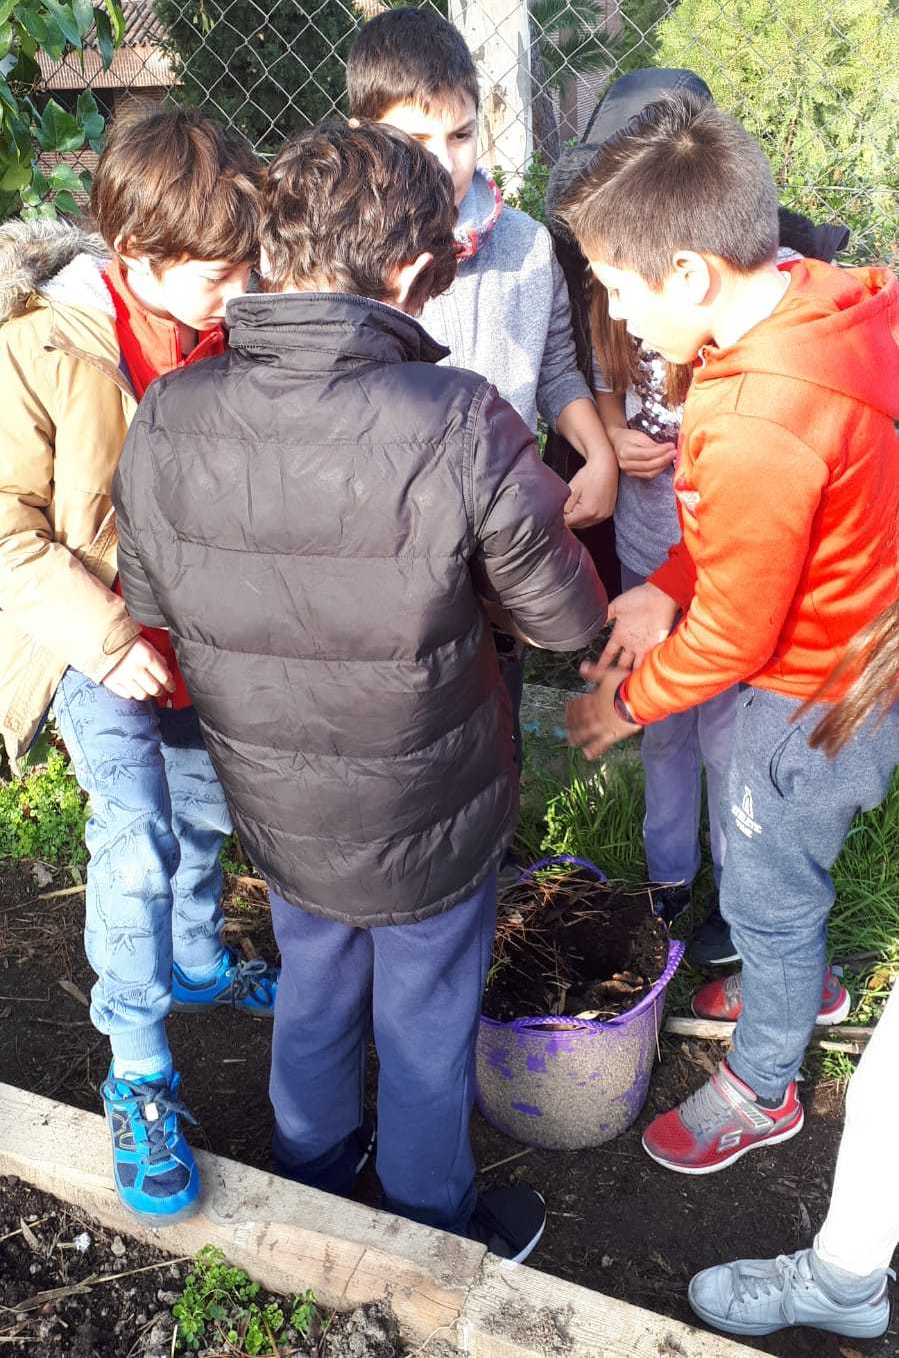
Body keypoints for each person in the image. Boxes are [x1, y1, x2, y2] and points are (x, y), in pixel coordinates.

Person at [112, 121, 607, 1258]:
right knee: (426, 1011)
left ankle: (314, 1169)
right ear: (407, 269)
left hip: (276, 792)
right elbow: (564, 617)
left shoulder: (173, 411)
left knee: (315, 977)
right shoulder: (461, 419)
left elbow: (152, 593)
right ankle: (427, 1213)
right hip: (430, 802)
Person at [560, 90, 899, 1175]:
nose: (616, 313)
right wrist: (665, 581)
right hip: (852, 651)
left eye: (618, 287)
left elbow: (733, 642)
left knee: (763, 878)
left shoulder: (759, 414)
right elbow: (757, 533)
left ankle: (762, 1083)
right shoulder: (819, 303)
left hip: (807, 698)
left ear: (689, 273)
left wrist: (624, 703)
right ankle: (789, 973)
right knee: (780, 883)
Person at [0, 108, 277, 1226]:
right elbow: (8, 532)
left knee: (206, 813)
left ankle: (198, 958)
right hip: (94, 643)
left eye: (250, 264)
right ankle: (139, 1069)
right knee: (134, 843)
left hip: (203, 639)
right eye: (218, 273)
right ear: (135, 256)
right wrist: (110, 643)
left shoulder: (237, 332)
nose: (241, 289)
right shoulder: (41, 349)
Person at [547, 68, 851, 967]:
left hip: (733, 551)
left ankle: (743, 900)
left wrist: (622, 702)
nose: (617, 304)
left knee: (723, 729)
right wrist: (612, 437)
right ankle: (668, 879)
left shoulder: (756, 375)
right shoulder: (620, 289)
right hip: (659, 535)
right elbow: (603, 376)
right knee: (670, 734)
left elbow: (733, 620)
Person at [346, 8, 617, 765]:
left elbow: (555, 368)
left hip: (495, 534)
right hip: (384, 537)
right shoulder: (341, 254)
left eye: (461, 136)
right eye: (415, 140)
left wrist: (598, 453)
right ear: (363, 134)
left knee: (495, 718)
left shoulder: (526, 247)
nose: (443, 163)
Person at [689, 601, 898, 1340]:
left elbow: (753, 567)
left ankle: (763, 1087)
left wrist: (642, 691)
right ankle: (794, 990)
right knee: (773, 887)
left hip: (824, 678)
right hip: (831, 663)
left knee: (770, 899)